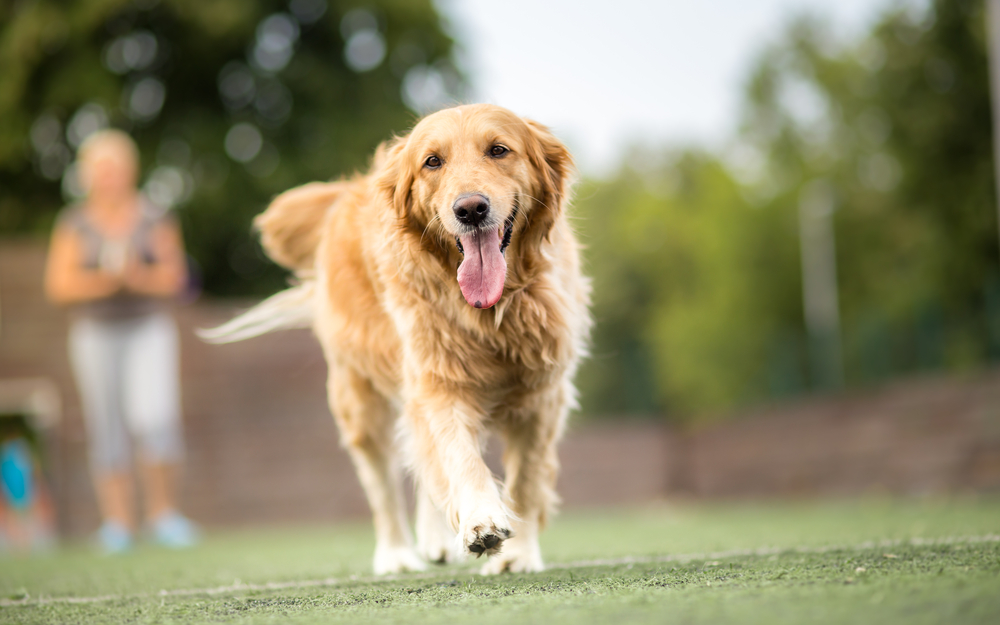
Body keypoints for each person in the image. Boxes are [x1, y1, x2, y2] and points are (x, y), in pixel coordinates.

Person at [44, 129, 197, 552]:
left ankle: (164, 516)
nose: (109, 176)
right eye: (101, 169)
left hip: (148, 328)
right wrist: (105, 283)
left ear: (131, 170)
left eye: (116, 168)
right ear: (88, 174)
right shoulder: (74, 222)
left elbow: (176, 279)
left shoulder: (154, 217)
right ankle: (118, 524)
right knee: (106, 426)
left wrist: (136, 279)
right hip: (94, 333)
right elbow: (59, 285)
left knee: (157, 419)